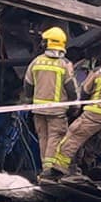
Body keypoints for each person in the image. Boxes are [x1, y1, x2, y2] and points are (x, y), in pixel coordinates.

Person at [42, 39, 101, 185]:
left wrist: (80, 106)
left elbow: (85, 92)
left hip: (94, 115)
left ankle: (57, 170)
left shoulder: (98, 72)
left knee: (72, 137)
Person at [23, 26, 79, 168]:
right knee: (55, 139)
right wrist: (74, 106)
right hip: (57, 112)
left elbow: (27, 85)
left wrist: (30, 99)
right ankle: (49, 170)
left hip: (38, 111)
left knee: (43, 139)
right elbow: (72, 90)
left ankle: (44, 169)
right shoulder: (64, 65)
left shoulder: (36, 62)